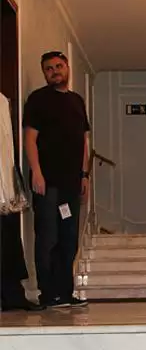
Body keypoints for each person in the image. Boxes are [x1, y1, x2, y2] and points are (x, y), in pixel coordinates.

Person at [22, 51, 90, 308]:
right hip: (47, 182)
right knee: (48, 237)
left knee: (69, 239)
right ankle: (48, 294)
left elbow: (83, 142)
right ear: (44, 73)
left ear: (67, 68)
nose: (54, 71)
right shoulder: (38, 100)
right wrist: (36, 173)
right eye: (49, 69)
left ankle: (65, 292)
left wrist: (84, 175)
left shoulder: (77, 101)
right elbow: (30, 139)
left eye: (58, 66)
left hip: (72, 183)